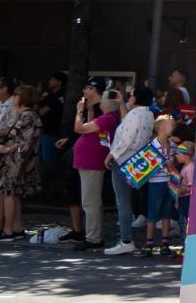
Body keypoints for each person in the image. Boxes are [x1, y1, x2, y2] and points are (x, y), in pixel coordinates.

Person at [105, 84, 155, 255]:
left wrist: (111, 154)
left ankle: (126, 239)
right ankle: (127, 239)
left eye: (131, 95)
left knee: (123, 202)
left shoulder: (134, 114)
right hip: (136, 160)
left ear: (136, 98)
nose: (129, 98)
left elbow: (126, 139)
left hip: (122, 160)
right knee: (128, 200)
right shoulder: (148, 114)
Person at [70, 85, 119, 250]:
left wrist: (79, 111)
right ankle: (92, 236)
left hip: (91, 162)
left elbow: (79, 128)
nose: (100, 103)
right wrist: (90, 110)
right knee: (89, 200)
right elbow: (91, 127)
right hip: (88, 161)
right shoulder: (107, 117)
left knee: (90, 201)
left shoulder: (108, 118)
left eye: (103, 100)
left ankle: (94, 238)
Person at [0, 85, 42, 240]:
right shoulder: (23, 115)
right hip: (14, 160)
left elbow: (25, 143)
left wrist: (5, 149)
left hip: (16, 161)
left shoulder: (28, 117)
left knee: (8, 192)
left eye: (16, 95)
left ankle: (8, 230)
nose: (14, 98)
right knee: (13, 194)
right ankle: (16, 228)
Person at [141, 114, 180, 256]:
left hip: (169, 182)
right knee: (152, 213)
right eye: (171, 125)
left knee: (166, 213)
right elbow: (146, 165)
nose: (173, 127)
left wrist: (173, 163)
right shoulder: (152, 146)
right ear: (162, 127)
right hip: (156, 183)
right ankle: (149, 243)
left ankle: (165, 242)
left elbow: (175, 160)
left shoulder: (172, 145)